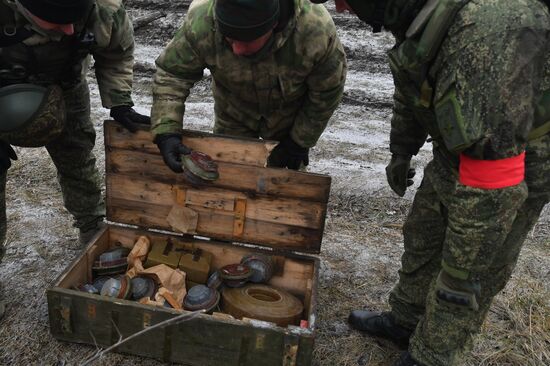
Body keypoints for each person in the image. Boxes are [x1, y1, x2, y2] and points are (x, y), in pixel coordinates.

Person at [313, 0, 550, 365]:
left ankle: (432, 355)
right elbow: (414, 82)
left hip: (512, 162)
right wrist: (401, 150)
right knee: (424, 233)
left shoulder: (486, 28)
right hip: (458, 149)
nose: (342, 9)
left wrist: (464, 268)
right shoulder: (418, 13)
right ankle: (405, 320)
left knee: (466, 274)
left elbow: (492, 178)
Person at [0, 0, 149, 318]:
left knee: (78, 156)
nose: (69, 31)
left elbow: (116, 53)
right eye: (55, 23)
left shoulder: (103, 10)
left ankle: (92, 227)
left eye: (73, 22)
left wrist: (119, 100)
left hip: (66, 85)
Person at [150, 0, 347, 172]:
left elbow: (326, 92)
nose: (236, 49)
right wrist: (166, 130)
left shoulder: (315, 30)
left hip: (288, 119)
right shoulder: (202, 21)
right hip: (234, 113)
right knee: (229, 179)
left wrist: (300, 141)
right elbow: (173, 74)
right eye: (229, 39)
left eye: (245, 40)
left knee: (283, 187)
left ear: (273, 26)